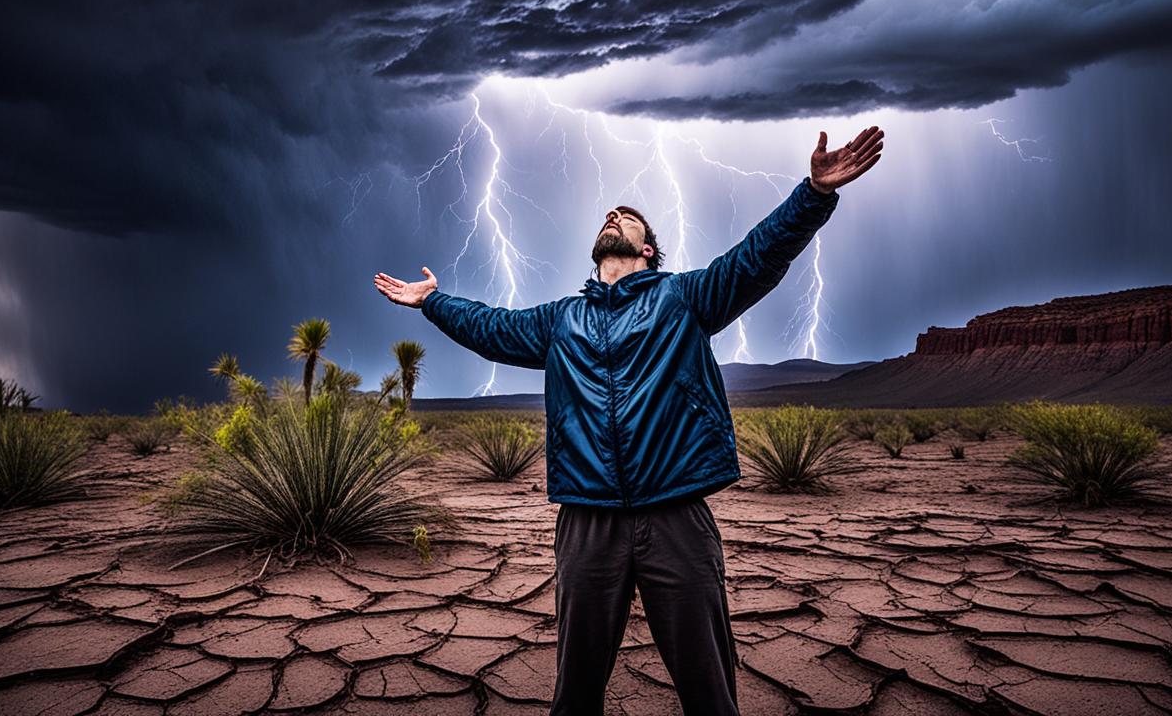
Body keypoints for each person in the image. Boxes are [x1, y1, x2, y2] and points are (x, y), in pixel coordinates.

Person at [374, 126, 885, 715]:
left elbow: (756, 257)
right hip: (587, 523)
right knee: (575, 696)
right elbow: (490, 327)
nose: (614, 215)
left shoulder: (684, 298)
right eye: (608, 215)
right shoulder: (560, 320)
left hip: (677, 516)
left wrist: (813, 195)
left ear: (647, 249)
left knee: (710, 692)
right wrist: (433, 301)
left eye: (629, 215)